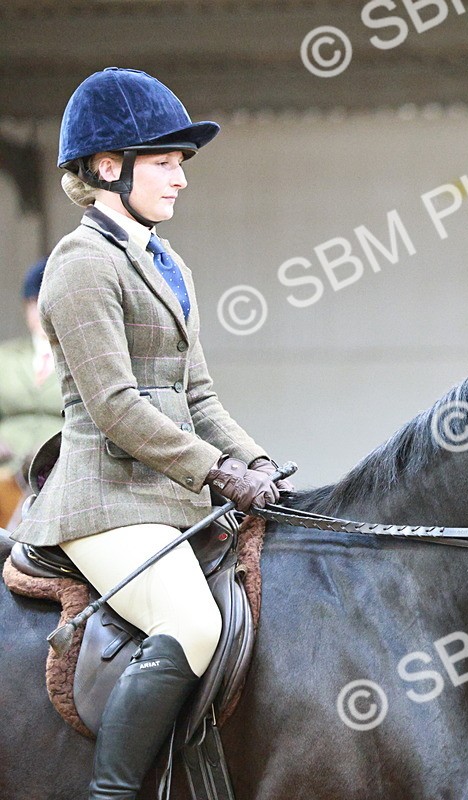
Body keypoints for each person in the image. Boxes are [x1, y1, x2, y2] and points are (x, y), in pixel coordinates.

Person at [9, 67, 294, 799]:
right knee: (194, 624)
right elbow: (117, 407)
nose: (179, 179)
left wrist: (255, 459)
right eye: (165, 161)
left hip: (169, 497)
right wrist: (220, 473)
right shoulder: (79, 264)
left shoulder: (171, 265)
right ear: (110, 167)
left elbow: (196, 394)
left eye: (180, 164)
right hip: (103, 501)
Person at [0, 259, 63, 526]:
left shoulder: (81, 360)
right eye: (33, 303)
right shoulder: (5, 358)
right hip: (5, 470)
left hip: (57, 472)